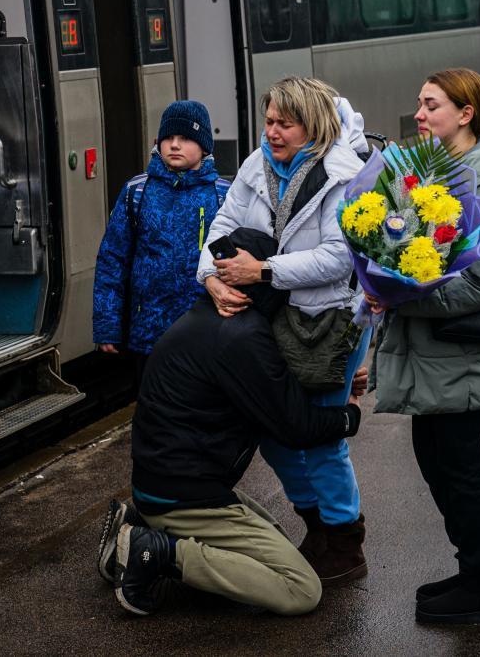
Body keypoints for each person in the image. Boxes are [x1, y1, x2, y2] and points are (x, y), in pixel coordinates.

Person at [98, 228, 367, 617]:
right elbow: (295, 427)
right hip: (188, 498)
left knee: (272, 549)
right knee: (299, 587)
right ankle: (157, 551)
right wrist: (351, 411)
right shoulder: (241, 337)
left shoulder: (205, 318)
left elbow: (269, 390)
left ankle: (145, 525)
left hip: (165, 484)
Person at [195, 77, 371, 585]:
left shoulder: (345, 174)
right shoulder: (256, 165)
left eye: (283, 123)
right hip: (269, 317)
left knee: (318, 436)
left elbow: (342, 259)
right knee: (270, 429)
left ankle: (343, 543)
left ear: (310, 126)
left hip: (328, 320)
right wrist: (210, 278)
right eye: (268, 120)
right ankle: (316, 524)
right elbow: (221, 227)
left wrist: (264, 271)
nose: (271, 132)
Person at [365, 67, 480, 624]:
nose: (421, 114)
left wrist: (404, 298)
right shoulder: (439, 174)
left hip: (460, 352)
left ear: (466, 115)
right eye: (419, 103)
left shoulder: (479, 184)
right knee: (437, 462)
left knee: (460, 467)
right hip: (436, 352)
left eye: (431, 105)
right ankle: (471, 570)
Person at [92, 100, 229, 375]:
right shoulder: (137, 192)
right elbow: (113, 259)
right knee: (152, 404)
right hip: (148, 332)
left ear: (204, 146)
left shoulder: (223, 194)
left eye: (186, 138)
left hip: (205, 329)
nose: (175, 145)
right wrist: (107, 325)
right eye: (168, 138)